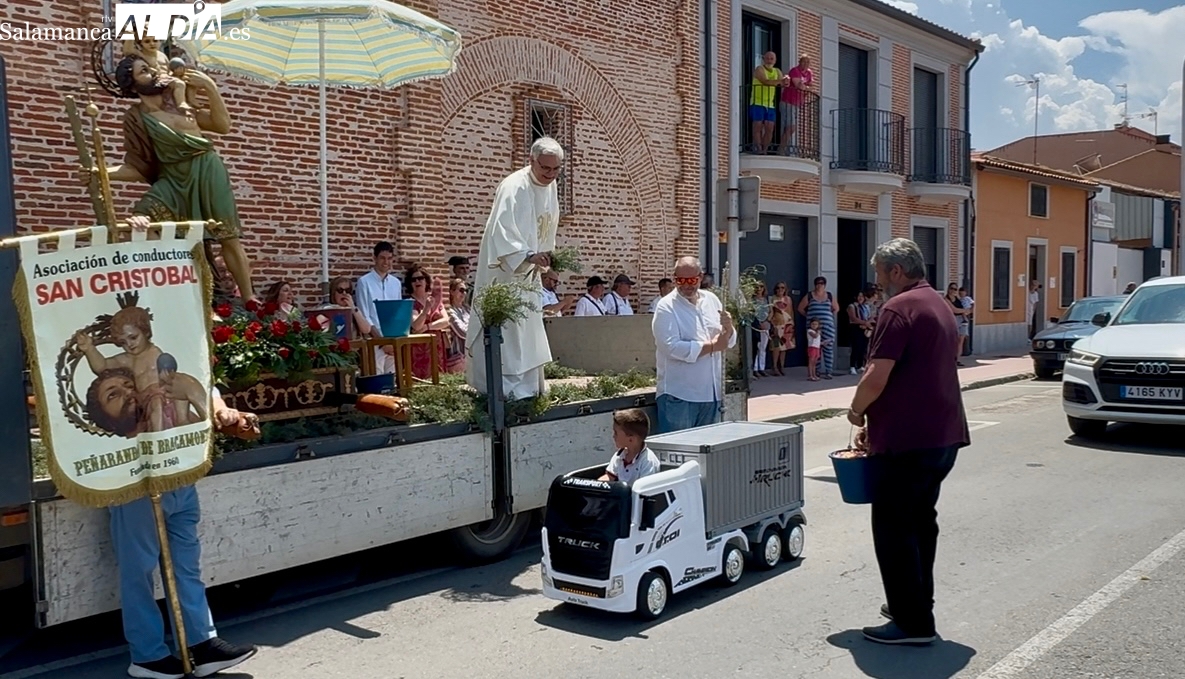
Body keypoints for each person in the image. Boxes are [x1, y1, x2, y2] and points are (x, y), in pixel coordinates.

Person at [846, 238, 970, 646]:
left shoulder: (897, 309)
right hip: (942, 435)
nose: (877, 281)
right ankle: (916, 602)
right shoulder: (936, 302)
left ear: (896, 271)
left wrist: (857, 410)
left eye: (880, 273)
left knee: (894, 527)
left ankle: (911, 622)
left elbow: (877, 375)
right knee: (920, 523)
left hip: (910, 441)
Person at [102, 53, 257, 303]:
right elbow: (137, 167)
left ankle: (250, 298)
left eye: (150, 69)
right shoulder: (136, 118)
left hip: (207, 169)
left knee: (228, 235)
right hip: (172, 178)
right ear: (132, 86)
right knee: (145, 221)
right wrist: (101, 172)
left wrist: (210, 87)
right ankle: (173, 291)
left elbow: (222, 125)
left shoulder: (177, 99)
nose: (152, 73)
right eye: (144, 71)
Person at [465, 137, 563, 400]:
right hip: (505, 273)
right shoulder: (514, 186)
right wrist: (528, 255)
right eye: (545, 168)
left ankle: (529, 389)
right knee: (508, 330)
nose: (551, 175)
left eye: (556, 169)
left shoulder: (550, 186)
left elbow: (545, 228)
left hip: (529, 274)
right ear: (531, 161)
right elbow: (502, 231)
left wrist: (547, 259)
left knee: (528, 327)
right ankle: (503, 392)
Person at [651, 256, 735, 433]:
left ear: (700, 277)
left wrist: (729, 328)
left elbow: (728, 341)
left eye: (692, 280)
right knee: (679, 454)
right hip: (679, 396)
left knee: (706, 456)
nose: (686, 285)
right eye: (681, 280)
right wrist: (712, 347)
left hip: (711, 395)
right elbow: (671, 347)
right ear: (674, 279)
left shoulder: (712, 300)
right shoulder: (666, 307)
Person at [355, 241, 402, 374]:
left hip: (392, 341)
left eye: (389, 258)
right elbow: (365, 315)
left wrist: (392, 342)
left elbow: (396, 314)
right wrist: (382, 342)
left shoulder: (396, 283)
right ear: (374, 258)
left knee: (393, 379)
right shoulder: (364, 282)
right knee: (377, 378)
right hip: (374, 341)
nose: (386, 262)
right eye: (382, 258)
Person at [598, 408, 660, 484]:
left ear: (631, 439)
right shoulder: (619, 455)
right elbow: (609, 477)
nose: (613, 436)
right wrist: (596, 485)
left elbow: (644, 490)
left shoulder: (648, 462)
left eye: (616, 433)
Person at [798, 276, 839, 379]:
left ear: (824, 285)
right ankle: (817, 371)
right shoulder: (809, 296)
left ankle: (829, 371)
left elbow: (836, 308)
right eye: (817, 283)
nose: (819, 285)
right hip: (813, 328)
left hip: (827, 327)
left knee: (828, 347)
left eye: (821, 283)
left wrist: (828, 316)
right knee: (816, 348)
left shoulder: (829, 295)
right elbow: (800, 308)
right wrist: (809, 317)